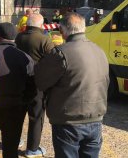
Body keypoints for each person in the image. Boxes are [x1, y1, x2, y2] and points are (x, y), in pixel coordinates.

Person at [35, 13, 109, 158]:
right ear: (84, 28)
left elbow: (41, 81)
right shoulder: (100, 51)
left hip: (68, 121)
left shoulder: (61, 53)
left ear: (62, 31)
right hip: (96, 117)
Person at [0, 22, 35, 158]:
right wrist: (23, 102)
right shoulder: (25, 57)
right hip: (15, 108)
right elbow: (33, 86)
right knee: (11, 147)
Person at [15, 13, 54, 158]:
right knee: (36, 116)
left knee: (18, 114)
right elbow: (53, 60)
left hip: (20, 81)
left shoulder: (19, 37)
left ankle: (16, 140)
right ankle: (32, 148)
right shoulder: (44, 39)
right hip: (37, 83)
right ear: (41, 25)